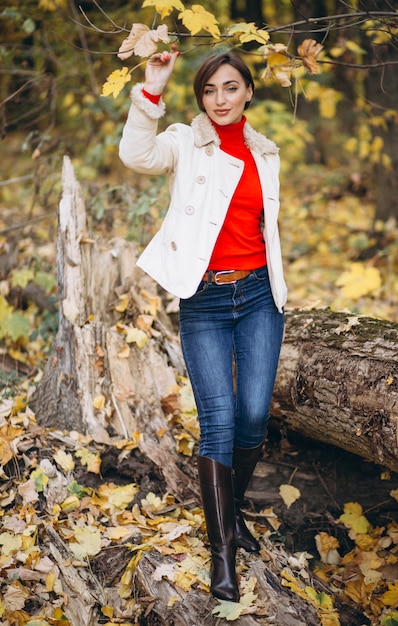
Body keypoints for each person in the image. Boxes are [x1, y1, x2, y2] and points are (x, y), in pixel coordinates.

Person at [119, 48, 287, 603]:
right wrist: (152, 87)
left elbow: (267, 232)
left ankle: (230, 516)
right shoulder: (185, 142)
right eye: (210, 90)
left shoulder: (266, 153)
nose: (219, 99)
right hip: (205, 300)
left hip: (259, 294)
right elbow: (136, 154)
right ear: (200, 97)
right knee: (218, 419)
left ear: (248, 92)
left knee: (254, 416)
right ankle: (224, 555)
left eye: (230, 88)